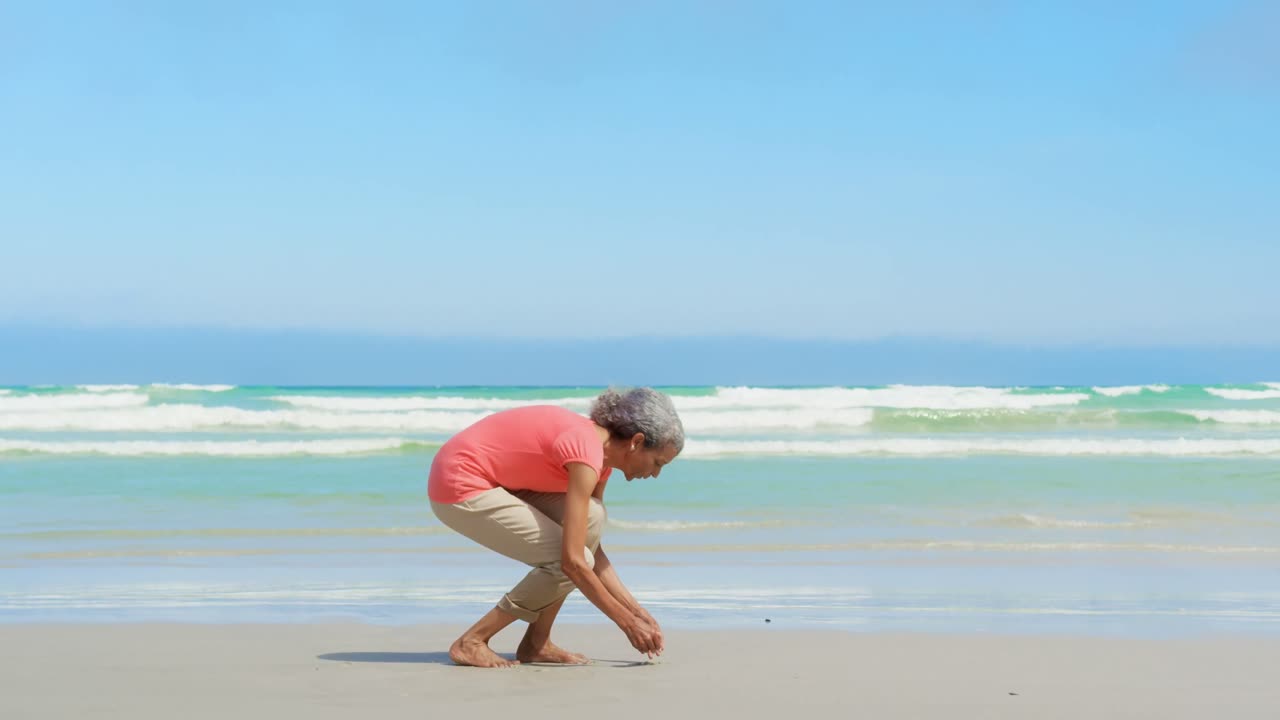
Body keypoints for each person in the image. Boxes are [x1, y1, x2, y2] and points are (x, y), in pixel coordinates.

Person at [428, 386, 685, 668]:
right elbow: (574, 563)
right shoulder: (586, 453)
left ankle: (536, 643)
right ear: (636, 442)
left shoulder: (603, 461)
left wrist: (637, 611)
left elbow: (589, 546)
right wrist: (626, 624)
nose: (656, 473)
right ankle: (472, 641)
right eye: (658, 462)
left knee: (593, 518)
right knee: (570, 561)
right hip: (459, 481)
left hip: (501, 482)